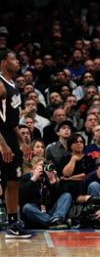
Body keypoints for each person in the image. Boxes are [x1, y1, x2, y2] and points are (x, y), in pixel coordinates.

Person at [0, 49, 33, 237]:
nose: (18, 61)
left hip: (10, 138)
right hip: (1, 139)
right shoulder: (0, 85)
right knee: (3, 182)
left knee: (13, 181)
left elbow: (12, 122)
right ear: (4, 62)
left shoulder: (13, 85)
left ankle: (13, 223)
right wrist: (2, 145)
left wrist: (22, 142)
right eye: (13, 58)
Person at [19, 156, 72, 229]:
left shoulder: (47, 178)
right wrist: (34, 179)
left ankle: (56, 218)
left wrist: (53, 182)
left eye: (44, 165)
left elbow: (58, 198)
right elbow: (22, 195)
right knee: (26, 207)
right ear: (34, 167)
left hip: (48, 211)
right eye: (41, 165)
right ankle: (54, 222)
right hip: (36, 213)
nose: (43, 167)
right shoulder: (26, 177)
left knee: (67, 195)